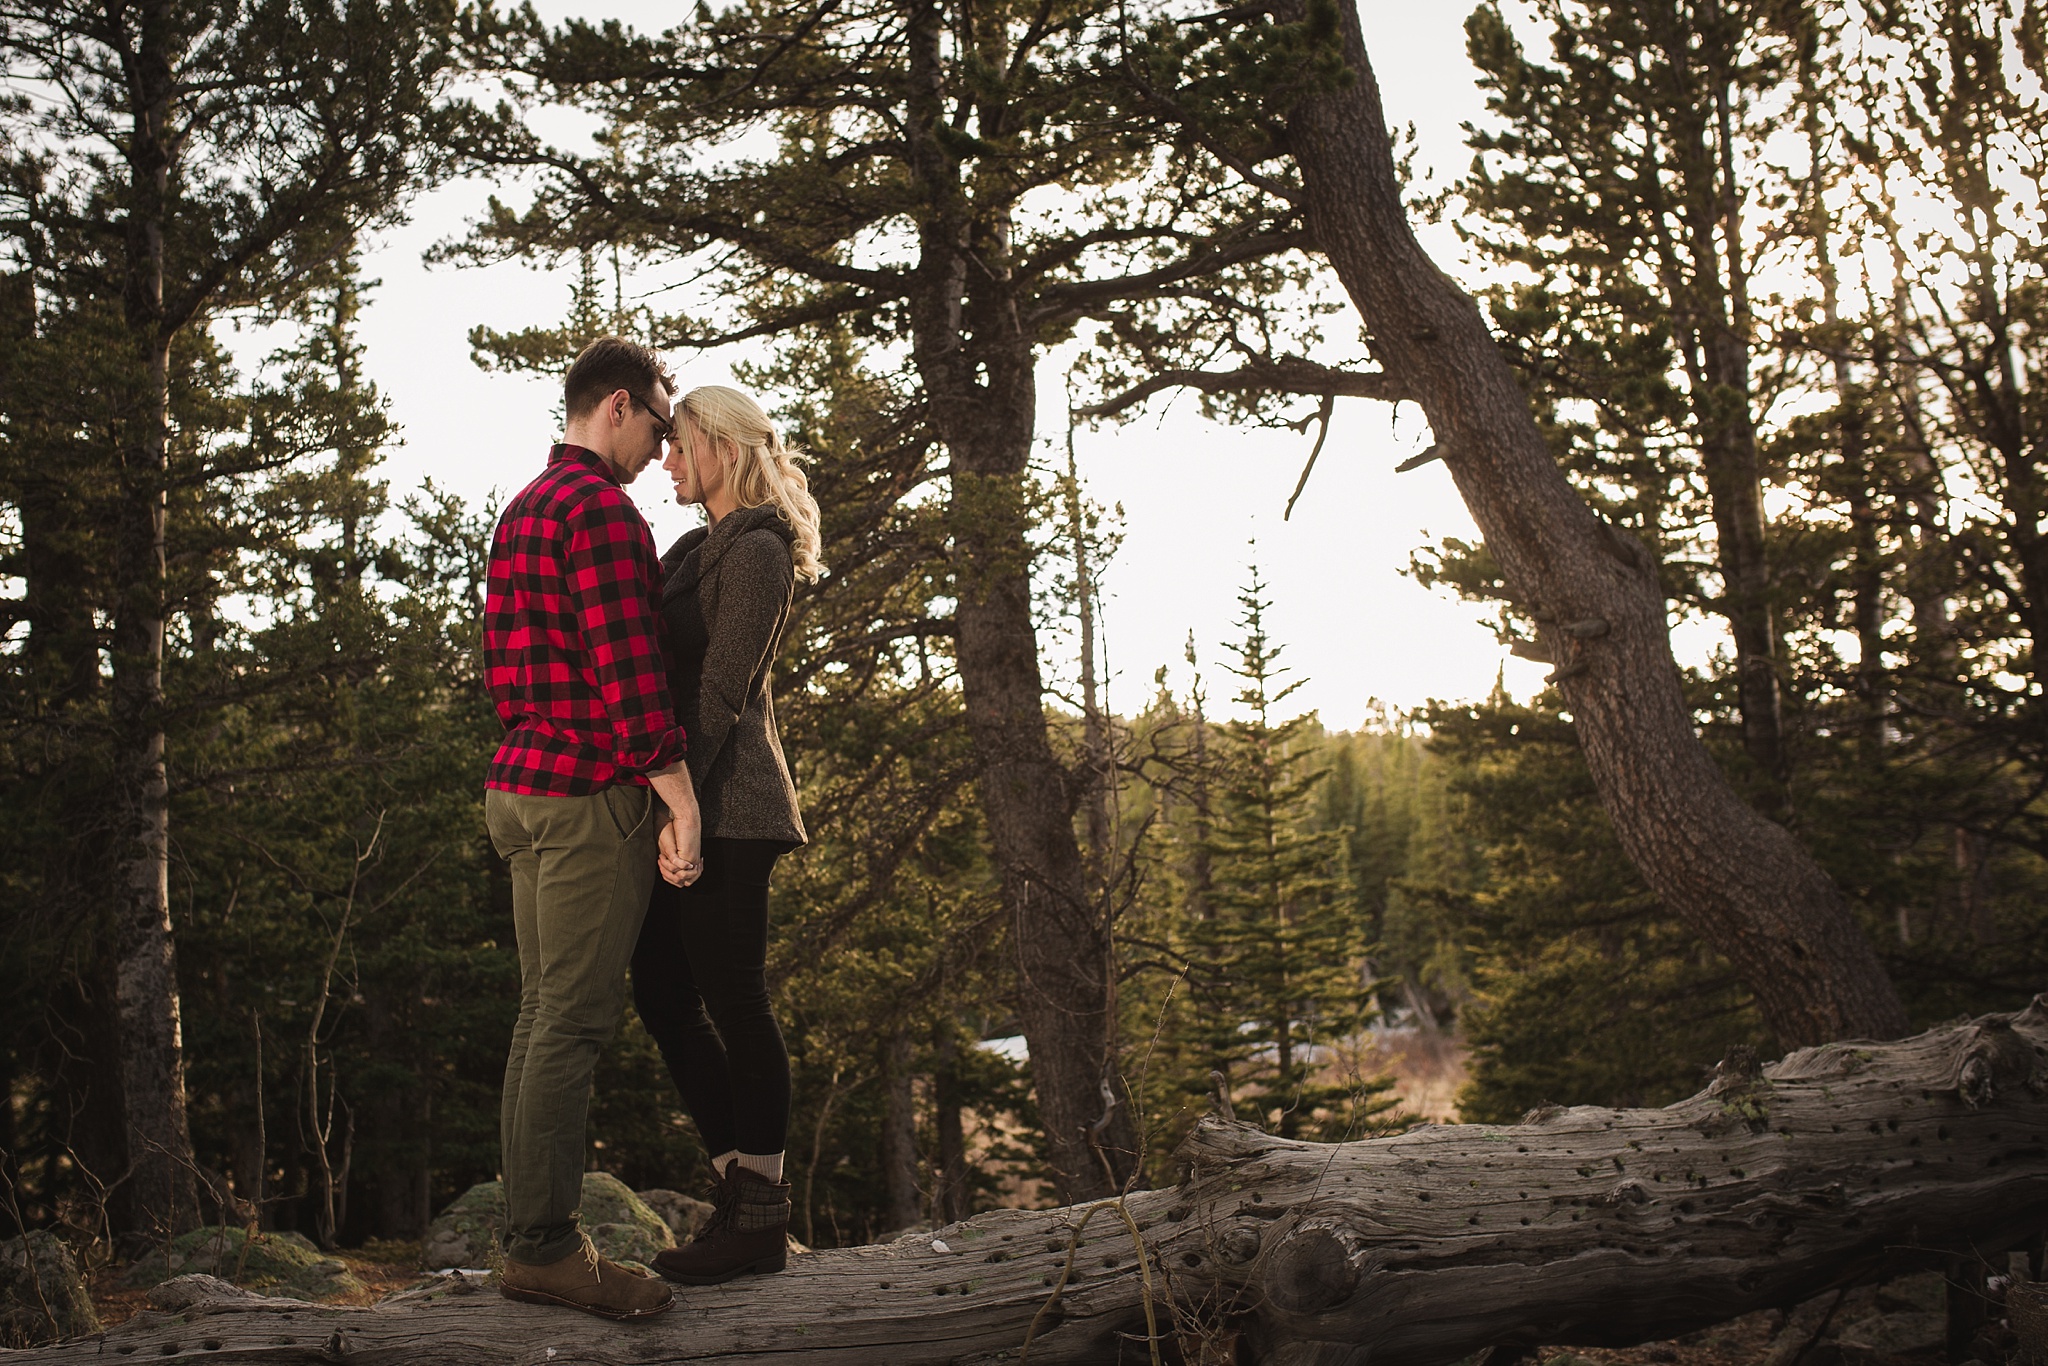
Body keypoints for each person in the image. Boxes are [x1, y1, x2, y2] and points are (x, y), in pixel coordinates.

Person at [481, 337, 704, 1320]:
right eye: (659, 423)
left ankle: (527, 1238)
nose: (663, 447)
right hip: (581, 799)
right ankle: (541, 1248)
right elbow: (630, 677)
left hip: (520, 787)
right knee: (567, 1023)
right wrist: (680, 796)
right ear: (617, 406)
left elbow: (503, 667)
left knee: (541, 1016)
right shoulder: (602, 514)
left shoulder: (524, 507)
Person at [632, 384, 823, 1285]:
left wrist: (687, 812)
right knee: (664, 994)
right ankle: (741, 1201)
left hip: (734, 807)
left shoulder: (758, 551)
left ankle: (761, 1218)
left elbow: (721, 693)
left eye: (679, 445)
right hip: (688, 801)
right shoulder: (690, 550)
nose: (666, 460)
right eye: (663, 445)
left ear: (721, 447)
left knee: (735, 1001)